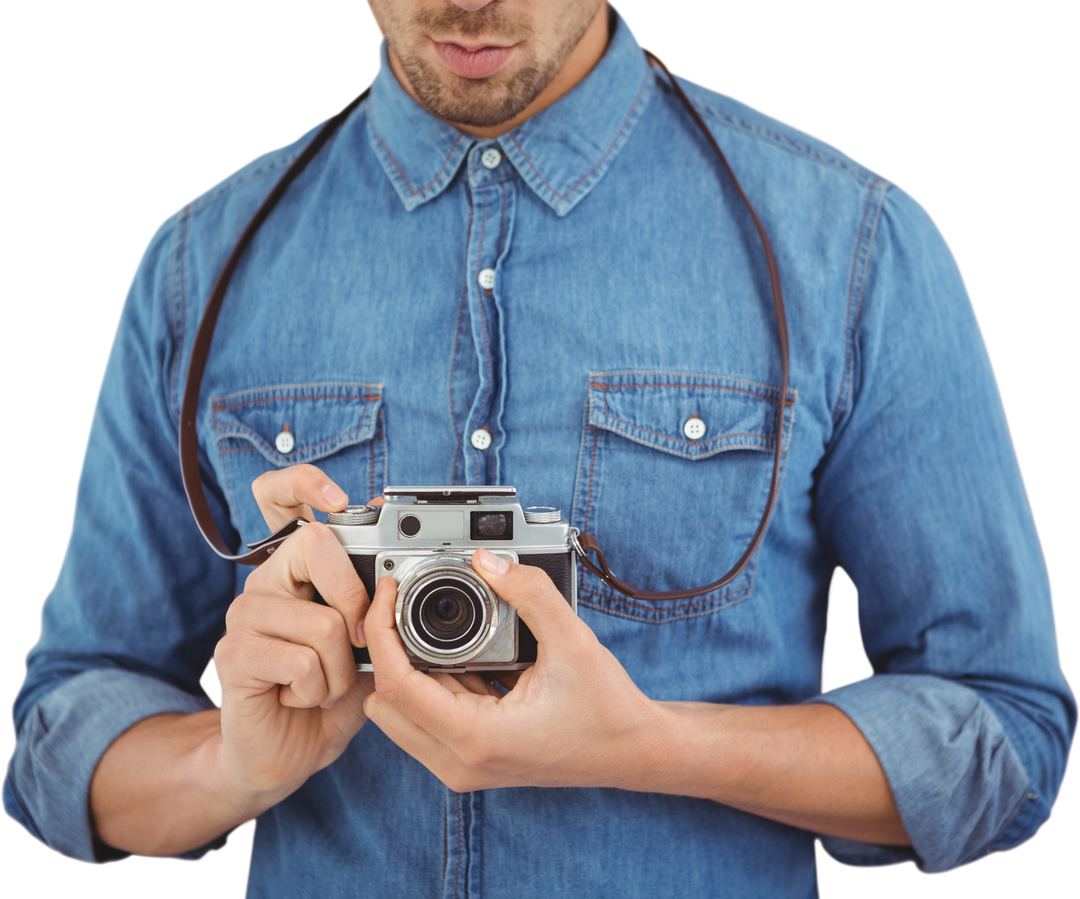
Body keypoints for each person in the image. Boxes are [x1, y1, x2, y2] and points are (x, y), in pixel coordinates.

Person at [3, 1, 1073, 895]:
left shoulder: (856, 245)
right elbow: (65, 724)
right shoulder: (199, 262)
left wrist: (643, 745)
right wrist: (226, 766)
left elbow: (1005, 732)